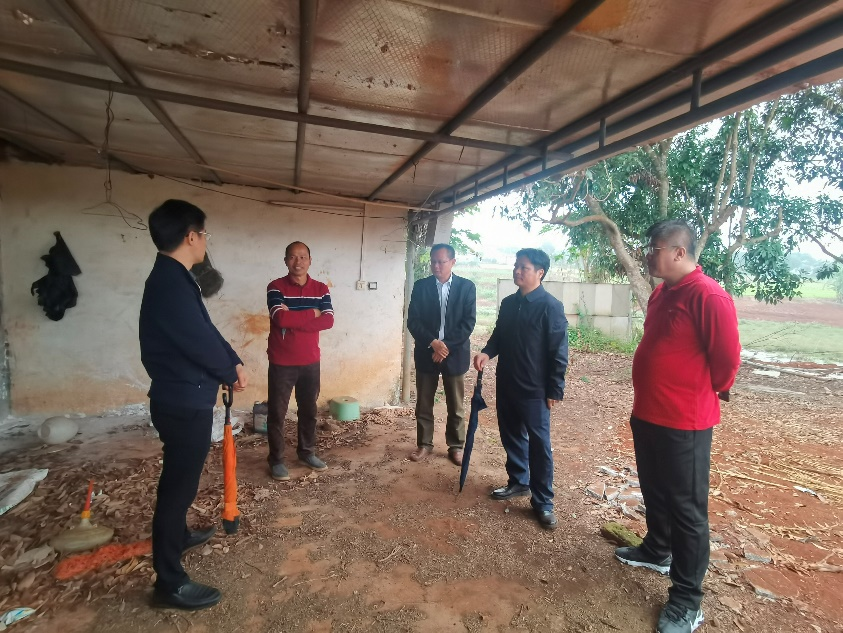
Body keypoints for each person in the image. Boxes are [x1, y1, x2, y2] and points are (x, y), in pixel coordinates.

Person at [614, 220, 741, 633]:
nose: (648, 255)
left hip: (685, 421)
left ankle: (687, 600)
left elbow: (726, 359)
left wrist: (712, 387)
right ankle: (657, 549)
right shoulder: (661, 293)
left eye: (654, 248)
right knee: (655, 490)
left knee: (687, 510)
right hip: (648, 413)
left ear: (679, 253)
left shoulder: (709, 295)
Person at [139, 199, 248, 610]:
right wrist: (227, 369)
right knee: (177, 488)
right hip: (182, 400)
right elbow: (197, 340)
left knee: (180, 481)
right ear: (190, 236)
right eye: (203, 234)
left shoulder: (175, 278)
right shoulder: (169, 283)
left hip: (185, 395)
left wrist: (231, 359)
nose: (205, 241)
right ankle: (168, 583)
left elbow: (205, 329)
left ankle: (179, 536)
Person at [473, 248, 568, 530]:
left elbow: (559, 351)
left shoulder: (550, 306)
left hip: (535, 389)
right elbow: (498, 337)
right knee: (511, 434)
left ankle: (543, 502)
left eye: (523, 267)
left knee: (540, 445)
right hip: (507, 383)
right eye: (516, 266)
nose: (517, 271)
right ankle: (518, 481)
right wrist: (486, 353)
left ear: (540, 272)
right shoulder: (508, 303)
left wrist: (554, 389)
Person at [266, 241, 334, 481]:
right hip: (281, 361)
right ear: (286, 260)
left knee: (309, 410)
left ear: (310, 260)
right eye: (293, 257)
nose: (298, 262)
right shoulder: (275, 287)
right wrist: (312, 313)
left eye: (303, 257)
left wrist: (294, 318)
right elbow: (280, 319)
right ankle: (276, 460)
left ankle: (306, 452)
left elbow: (328, 321)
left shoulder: (321, 288)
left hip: (310, 361)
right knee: (277, 413)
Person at [406, 244, 477, 465]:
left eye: (441, 262)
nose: (436, 266)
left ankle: (456, 446)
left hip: (454, 353)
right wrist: (433, 343)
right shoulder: (421, 287)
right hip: (427, 351)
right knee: (424, 403)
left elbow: (468, 323)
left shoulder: (466, 287)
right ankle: (424, 444)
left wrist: (445, 347)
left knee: (455, 404)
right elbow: (413, 321)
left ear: (453, 262)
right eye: (433, 261)